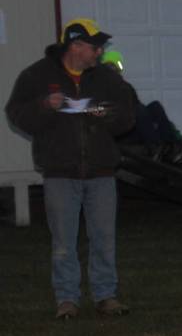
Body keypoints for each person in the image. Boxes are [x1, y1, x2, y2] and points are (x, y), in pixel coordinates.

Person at [5, 18, 136, 319]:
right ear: (75, 45)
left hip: (101, 170)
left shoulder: (106, 78)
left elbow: (128, 115)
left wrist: (105, 115)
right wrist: (43, 106)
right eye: (95, 46)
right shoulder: (36, 76)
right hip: (59, 171)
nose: (100, 51)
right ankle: (67, 299)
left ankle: (106, 295)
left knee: (103, 237)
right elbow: (16, 114)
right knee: (64, 240)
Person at [101, 49, 182, 164]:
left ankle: (174, 144)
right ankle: (154, 147)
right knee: (138, 109)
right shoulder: (100, 88)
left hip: (134, 127)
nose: (113, 71)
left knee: (155, 106)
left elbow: (142, 110)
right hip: (121, 133)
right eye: (110, 67)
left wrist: (173, 130)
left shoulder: (126, 87)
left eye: (115, 68)